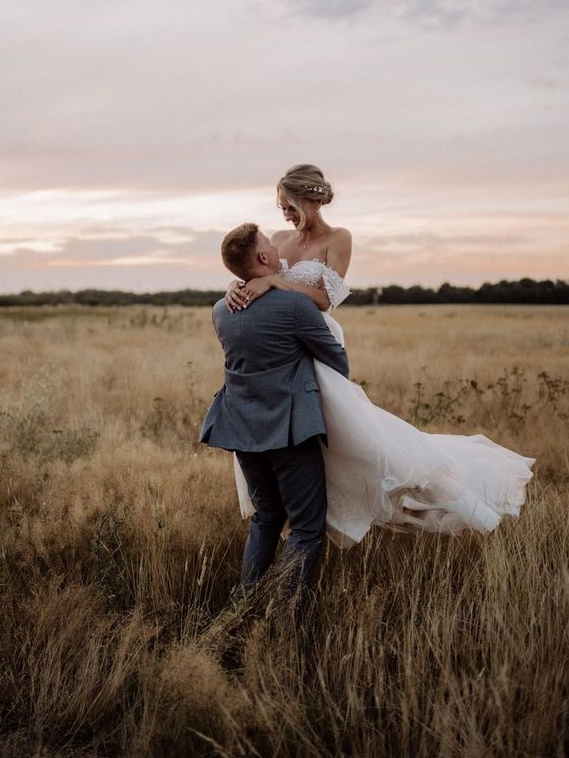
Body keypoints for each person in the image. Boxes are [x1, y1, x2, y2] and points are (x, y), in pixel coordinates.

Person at [225, 164, 535, 545]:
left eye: (288, 205)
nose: (284, 214)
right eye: (280, 207)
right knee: (300, 435)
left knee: (351, 436)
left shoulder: (339, 238)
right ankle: (309, 515)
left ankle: (411, 494)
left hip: (318, 338)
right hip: (283, 345)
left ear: (310, 200)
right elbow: (253, 274)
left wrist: (277, 281)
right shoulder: (277, 239)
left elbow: (327, 298)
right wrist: (234, 287)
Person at [200, 223, 349, 602]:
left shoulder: (221, 310)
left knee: (266, 518)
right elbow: (337, 360)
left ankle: (245, 605)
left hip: (239, 428)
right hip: (288, 429)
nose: (277, 246)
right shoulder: (295, 305)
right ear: (264, 257)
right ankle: (283, 614)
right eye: (269, 243)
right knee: (306, 527)